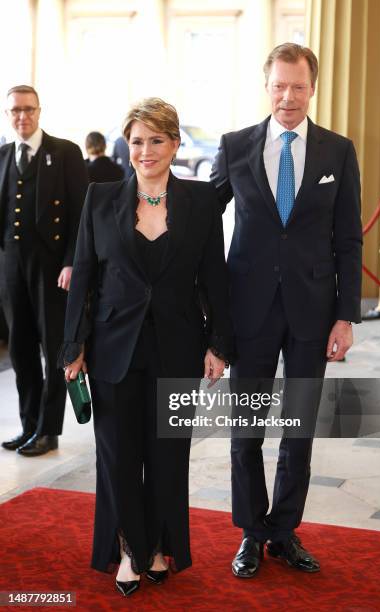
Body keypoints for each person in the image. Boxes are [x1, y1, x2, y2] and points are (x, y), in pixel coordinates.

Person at [59, 97, 233, 596]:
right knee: (117, 456)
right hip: (113, 348)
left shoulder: (200, 203)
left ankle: (159, 545)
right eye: (137, 141)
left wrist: (219, 344)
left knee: (167, 456)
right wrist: (74, 347)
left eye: (157, 140)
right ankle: (130, 550)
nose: (146, 150)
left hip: (178, 346)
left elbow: (214, 280)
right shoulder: (100, 199)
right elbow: (86, 278)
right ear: (126, 145)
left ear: (175, 144)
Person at [211, 43, 362, 578]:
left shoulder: (337, 152)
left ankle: (285, 531)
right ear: (266, 85)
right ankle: (252, 533)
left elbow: (348, 239)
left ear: (312, 88)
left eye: (298, 86)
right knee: (245, 429)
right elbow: (206, 217)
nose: (288, 96)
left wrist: (345, 316)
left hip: (312, 313)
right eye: (279, 85)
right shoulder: (235, 146)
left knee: (297, 432)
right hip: (247, 309)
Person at [0, 85, 88, 456]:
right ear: (8, 114)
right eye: (15, 110)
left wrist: (72, 260)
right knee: (20, 349)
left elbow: (81, 215)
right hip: (10, 267)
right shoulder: (3, 154)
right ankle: (28, 425)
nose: (22, 116)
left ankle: (49, 430)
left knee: (53, 349)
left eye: (29, 109)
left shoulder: (64, 152)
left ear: (39, 111)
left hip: (53, 268)